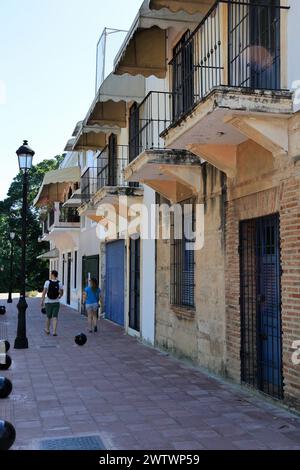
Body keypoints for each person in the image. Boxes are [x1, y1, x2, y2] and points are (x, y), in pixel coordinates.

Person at [41, 270, 64, 336]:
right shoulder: (59, 283)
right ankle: (54, 331)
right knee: (55, 317)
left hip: (48, 302)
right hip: (56, 302)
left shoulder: (47, 282)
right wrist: (59, 296)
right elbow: (62, 292)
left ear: (52, 275)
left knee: (48, 317)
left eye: (51, 274)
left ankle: (47, 329)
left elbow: (44, 292)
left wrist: (42, 301)